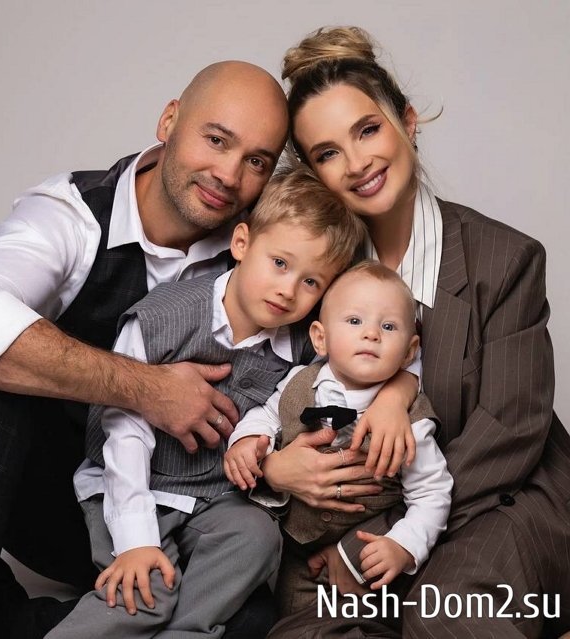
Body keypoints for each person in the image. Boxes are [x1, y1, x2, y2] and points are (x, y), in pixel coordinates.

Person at [0, 58, 418, 638]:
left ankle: (39, 624)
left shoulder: (276, 249)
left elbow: (368, 332)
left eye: (257, 161)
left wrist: (395, 394)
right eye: (216, 140)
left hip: (197, 511)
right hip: (76, 496)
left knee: (251, 618)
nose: (228, 175)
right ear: (168, 122)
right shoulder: (76, 214)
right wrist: (148, 389)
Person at [257, 26, 570, 638]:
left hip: (503, 500)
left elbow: (512, 429)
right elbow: (278, 391)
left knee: (442, 614)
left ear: (406, 121)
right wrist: (275, 470)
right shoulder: (315, 273)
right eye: (327, 153)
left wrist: (382, 535)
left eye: (367, 130)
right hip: (358, 524)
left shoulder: (504, 259)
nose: (357, 164)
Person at [47, 165, 366, 639]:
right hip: (137, 485)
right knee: (146, 597)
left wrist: (398, 392)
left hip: (214, 499)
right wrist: (135, 541)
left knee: (256, 536)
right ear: (242, 243)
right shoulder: (166, 315)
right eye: (280, 263)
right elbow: (124, 429)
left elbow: (373, 364)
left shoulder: (304, 344)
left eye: (311, 283)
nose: (288, 290)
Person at [225, 261, 452, 617]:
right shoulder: (299, 381)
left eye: (388, 326)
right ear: (320, 338)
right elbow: (267, 415)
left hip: (361, 557)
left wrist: (404, 545)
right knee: (286, 619)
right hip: (290, 547)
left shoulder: (411, 423)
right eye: (355, 321)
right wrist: (248, 439)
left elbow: (432, 493)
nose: (371, 334)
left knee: (356, 621)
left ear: (409, 352)